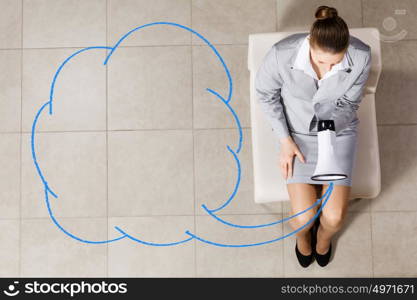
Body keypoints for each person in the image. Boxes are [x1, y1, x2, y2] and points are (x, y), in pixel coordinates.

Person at [255, 5, 372, 268]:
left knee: (334, 218)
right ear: (310, 44)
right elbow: (265, 95)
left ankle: (323, 240)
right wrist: (285, 141)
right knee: (303, 218)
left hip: (338, 132)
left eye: (336, 63)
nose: (329, 68)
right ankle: (302, 240)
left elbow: (350, 104)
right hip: (296, 132)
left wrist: (329, 133)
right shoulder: (281, 55)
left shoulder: (361, 55)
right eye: (322, 62)